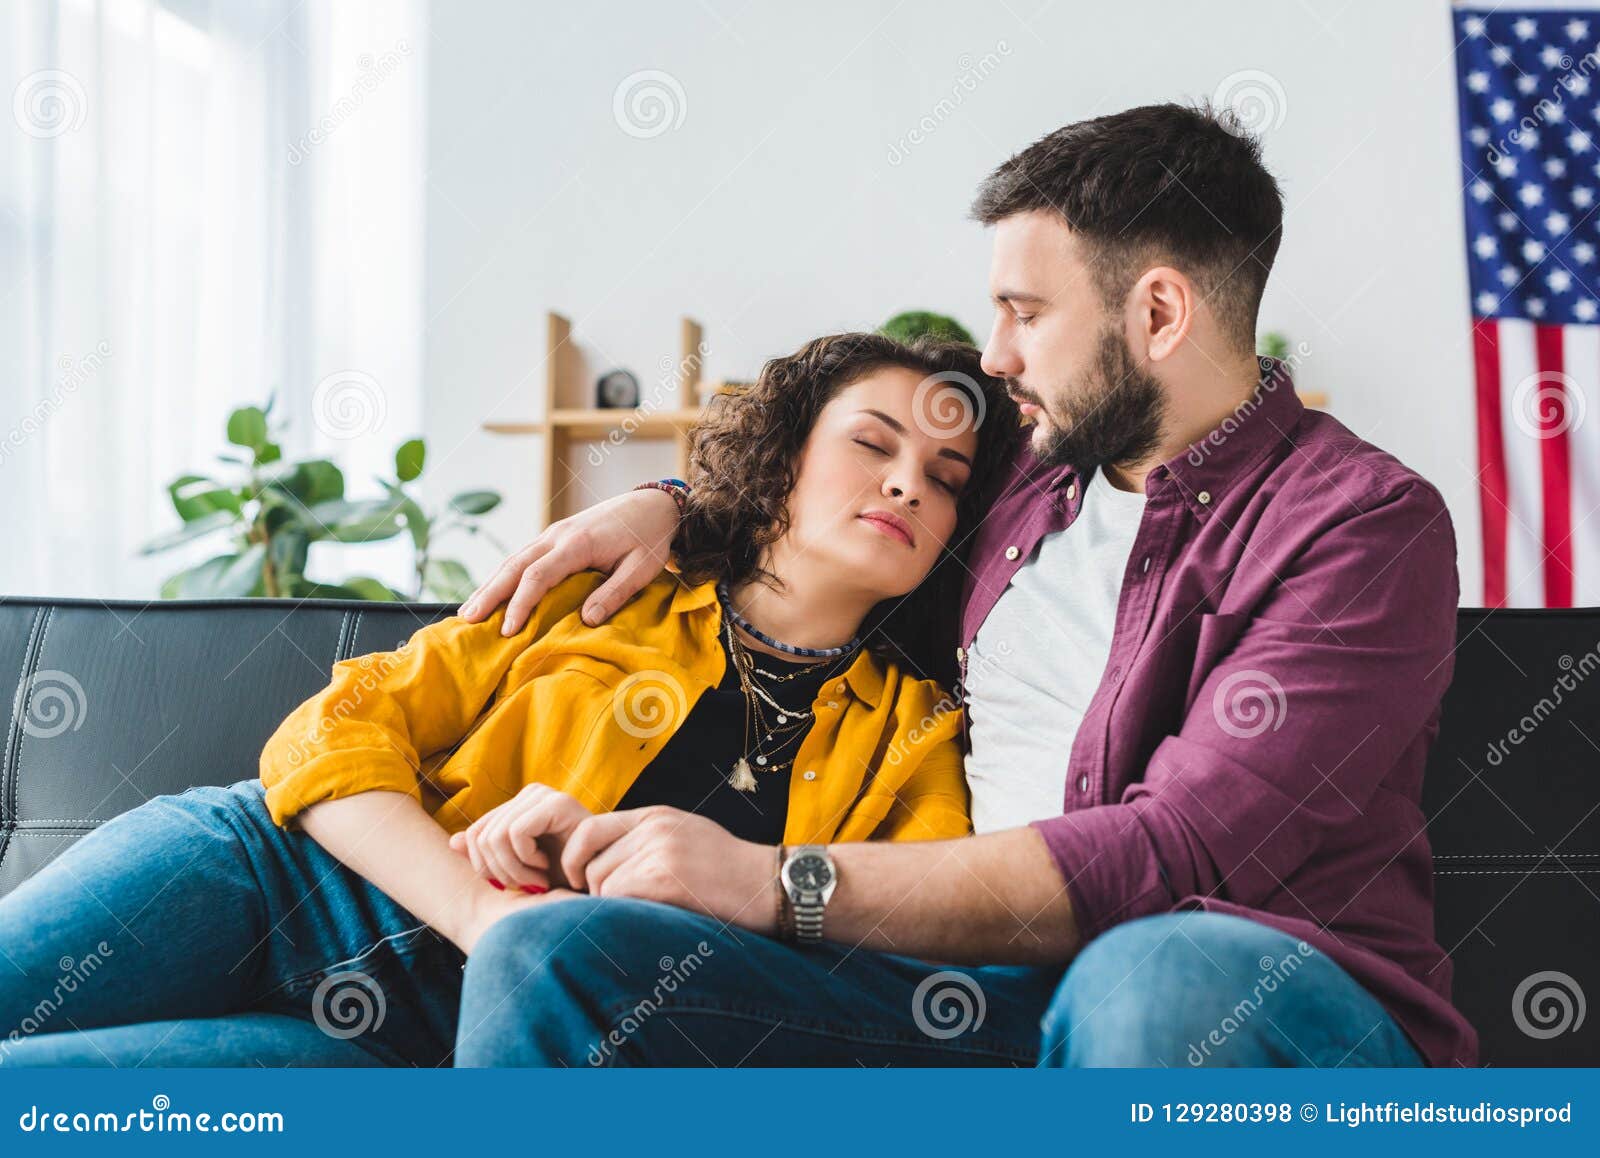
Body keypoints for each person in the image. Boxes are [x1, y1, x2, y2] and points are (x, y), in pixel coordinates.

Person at [453, 103, 1479, 1068]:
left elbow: (1175, 859)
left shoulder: (1364, 526)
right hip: (967, 1001)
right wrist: (669, 504)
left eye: (1025, 314)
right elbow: (830, 457)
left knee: (1154, 972)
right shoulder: (1009, 465)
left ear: (1159, 312)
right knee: (556, 951)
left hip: (1243, 999)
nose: (994, 356)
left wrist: (774, 882)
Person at [0, 332, 1016, 1068]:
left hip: (412, 1048)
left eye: (945, 472)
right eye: (871, 444)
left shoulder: (916, 730)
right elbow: (332, 733)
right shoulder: (602, 587)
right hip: (269, 880)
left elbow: (894, 928)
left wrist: (707, 885)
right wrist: (485, 915)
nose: (905, 485)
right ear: (789, 457)